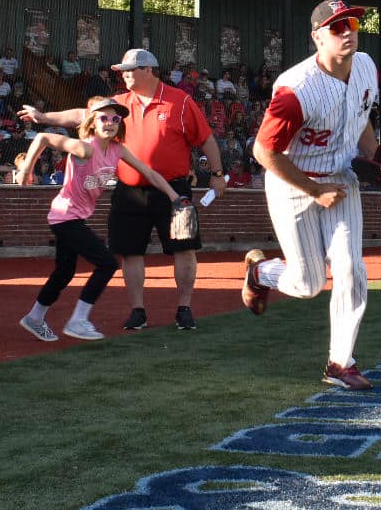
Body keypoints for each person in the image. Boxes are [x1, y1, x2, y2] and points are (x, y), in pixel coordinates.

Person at [20, 48, 227, 332]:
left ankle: (184, 308)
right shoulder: (117, 105)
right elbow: (82, 114)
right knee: (130, 252)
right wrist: (43, 116)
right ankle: (138, 311)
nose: (124, 74)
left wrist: (217, 174)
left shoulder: (181, 101)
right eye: (123, 70)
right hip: (129, 190)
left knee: (185, 249)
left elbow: (206, 139)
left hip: (173, 188)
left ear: (149, 70)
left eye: (130, 69)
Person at [241, 0, 380, 390]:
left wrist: (373, 152)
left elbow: (361, 113)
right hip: (293, 184)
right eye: (337, 27)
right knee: (307, 284)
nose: (348, 31)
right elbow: (263, 152)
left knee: (352, 270)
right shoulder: (295, 89)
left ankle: (340, 363)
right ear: (317, 37)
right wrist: (314, 190)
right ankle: (260, 271)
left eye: (351, 22)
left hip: (341, 179)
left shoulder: (367, 66)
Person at [15, 97, 178, 342]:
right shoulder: (85, 148)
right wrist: (26, 171)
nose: (110, 123)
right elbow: (43, 138)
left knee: (64, 272)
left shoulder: (117, 150)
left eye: (115, 119)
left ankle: (35, 318)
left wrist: (174, 195)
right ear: (92, 122)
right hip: (64, 216)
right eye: (103, 118)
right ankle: (78, 321)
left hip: (74, 218)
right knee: (107, 263)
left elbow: (149, 173)